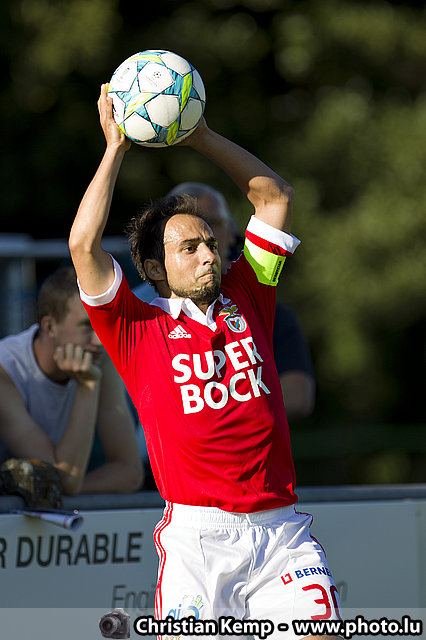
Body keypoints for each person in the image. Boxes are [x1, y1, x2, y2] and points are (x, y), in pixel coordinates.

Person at [69, 83, 342, 639]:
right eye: (188, 247)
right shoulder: (134, 327)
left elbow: (275, 197)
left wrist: (201, 136)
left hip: (282, 532)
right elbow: (82, 246)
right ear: (155, 267)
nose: (207, 254)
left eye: (211, 243)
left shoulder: (250, 290)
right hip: (198, 539)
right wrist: (115, 149)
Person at [133, 181, 316, 422]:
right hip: (144, 446)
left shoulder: (256, 297)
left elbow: (298, 397)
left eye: (211, 222)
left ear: (231, 232)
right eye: (184, 228)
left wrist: (220, 425)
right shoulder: (136, 313)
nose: (199, 231)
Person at [0, 266, 143, 495]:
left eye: (103, 325)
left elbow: (129, 473)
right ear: (49, 327)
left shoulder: (99, 359)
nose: (99, 341)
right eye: (87, 326)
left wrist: (62, 494)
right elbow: (64, 478)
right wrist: (87, 386)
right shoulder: (5, 369)